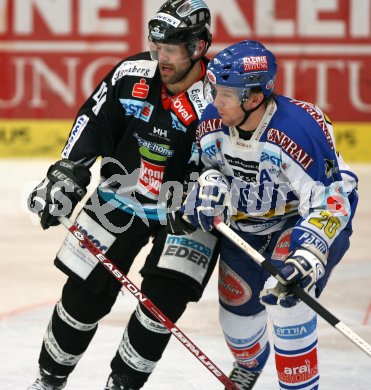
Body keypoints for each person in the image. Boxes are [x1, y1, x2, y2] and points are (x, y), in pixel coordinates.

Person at [26, 1, 219, 389]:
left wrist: (205, 191)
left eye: (171, 50)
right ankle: (49, 379)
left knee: (160, 307)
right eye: (156, 47)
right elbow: (92, 123)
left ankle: (123, 384)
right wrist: (67, 171)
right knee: (83, 294)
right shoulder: (131, 74)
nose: (160, 57)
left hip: (185, 211)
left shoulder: (220, 95)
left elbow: (224, 160)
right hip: (120, 194)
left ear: (197, 48)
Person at [178, 40, 359, 389]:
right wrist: (207, 183)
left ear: (255, 98)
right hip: (245, 225)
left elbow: (332, 199)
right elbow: (203, 165)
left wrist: (307, 256)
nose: (216, 101)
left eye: (226, 94)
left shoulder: (299, 129)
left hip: (300, 222)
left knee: (288, 299)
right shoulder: (213, 118)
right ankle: (251, 363)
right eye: (215, 90)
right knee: (237, 320)